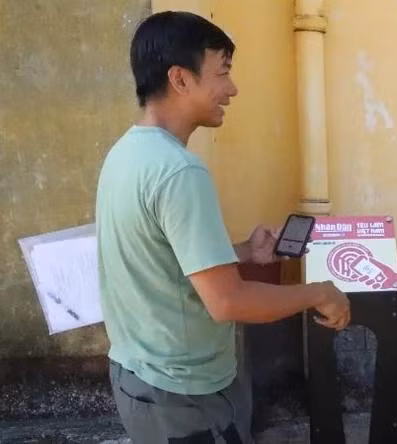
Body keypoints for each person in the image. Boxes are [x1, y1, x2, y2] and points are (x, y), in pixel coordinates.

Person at [96, 11, 350, 443]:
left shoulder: (127, 153)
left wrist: (243, 252)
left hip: (140, 376)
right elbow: (228, 302)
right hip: (184, 396)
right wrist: (321, 293)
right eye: (223, 73)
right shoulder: (180, 172)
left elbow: (164, 257)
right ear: (180, 79)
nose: (231, 89)